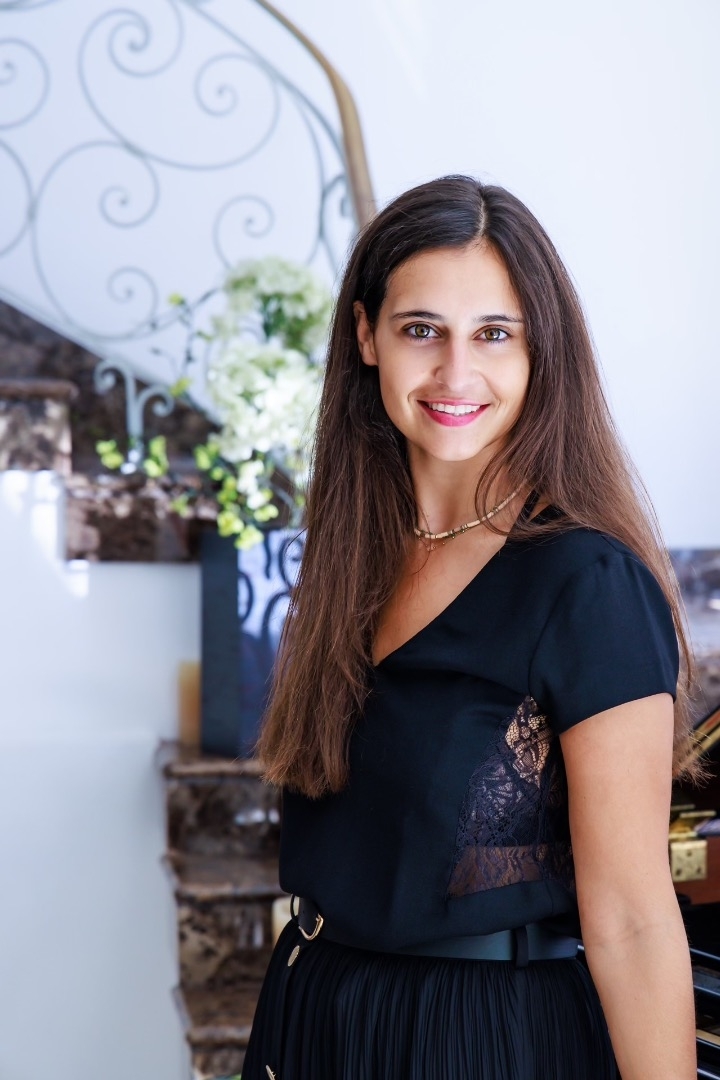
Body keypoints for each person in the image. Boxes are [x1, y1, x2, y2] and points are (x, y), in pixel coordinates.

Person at [242, 176, 698, 1079]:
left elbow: (635, 920)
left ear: (540, 353)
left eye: (494, 334)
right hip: (315, 1013)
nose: (456, 373)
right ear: (366, 336)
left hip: (480, 1039)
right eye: (422, 330)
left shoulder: (588, 585)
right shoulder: (350, 559)